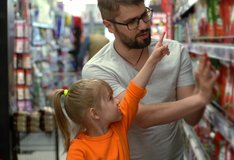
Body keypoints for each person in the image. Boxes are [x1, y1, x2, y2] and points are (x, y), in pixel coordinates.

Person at [82, 0, 219, 159]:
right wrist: (200, 98)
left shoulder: (175, 52)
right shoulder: (97, 69)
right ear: (109, 26)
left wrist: (202, 92)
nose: (143, 26)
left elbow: (192, 118)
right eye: (132, 22)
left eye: (144, 15)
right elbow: (139, 116)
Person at [52, 33, 170, 159]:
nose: (118, 101)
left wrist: (153, 59)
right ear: (94, 113)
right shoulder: (78, 150)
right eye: (110, 98)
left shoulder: (120, 125)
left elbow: (133, 92)